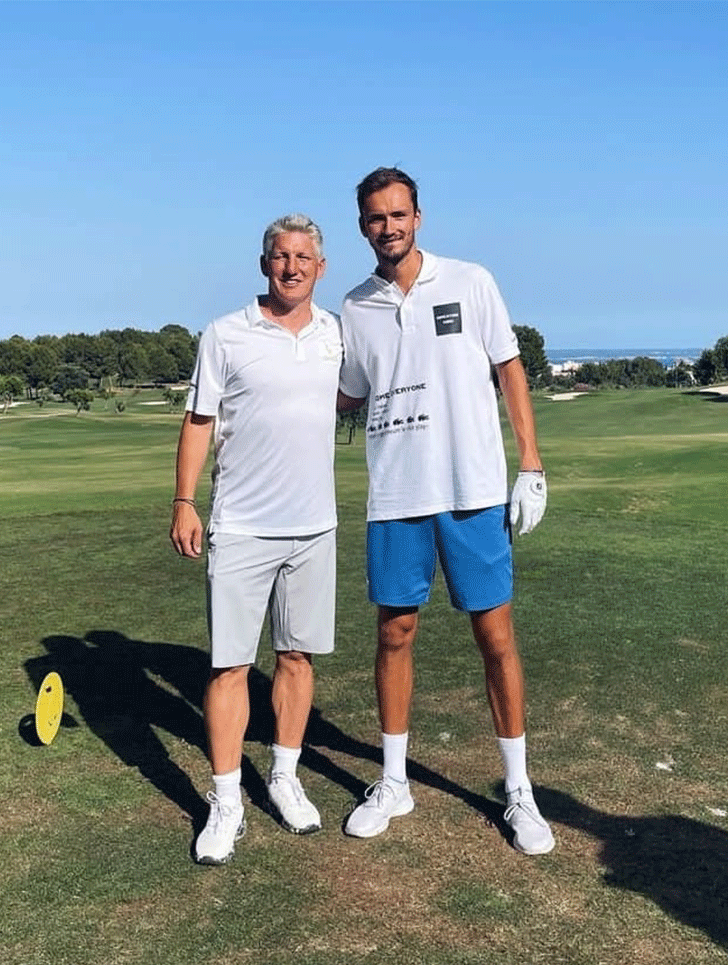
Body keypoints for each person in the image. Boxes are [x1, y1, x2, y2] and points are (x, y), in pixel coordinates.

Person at [336, 167, 555, 855]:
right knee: (395, 633)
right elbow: (343, 397)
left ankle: (518, 791)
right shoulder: (353, 306)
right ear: (363, 226)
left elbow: (509, 367)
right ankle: (395, 781)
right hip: (397, 495)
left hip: (473, 490)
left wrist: (531, 463)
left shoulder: (471, 281)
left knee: (495, 638)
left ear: (419, 217)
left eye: (398, 214)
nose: (388, 227)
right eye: (376, 218)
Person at [170, 213, 342, 865]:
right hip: (241, 525)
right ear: (264, 263)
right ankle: (225, 801)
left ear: (320, 268)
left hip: (313, 526)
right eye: (280, 256)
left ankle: (284, 777)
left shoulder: (334, 335)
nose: (292, 266)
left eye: (303, 257)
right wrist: (185, 500)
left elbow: (352, 396)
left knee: (297, 657)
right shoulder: (226, 334)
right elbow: (199, 419)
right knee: (230, 666)